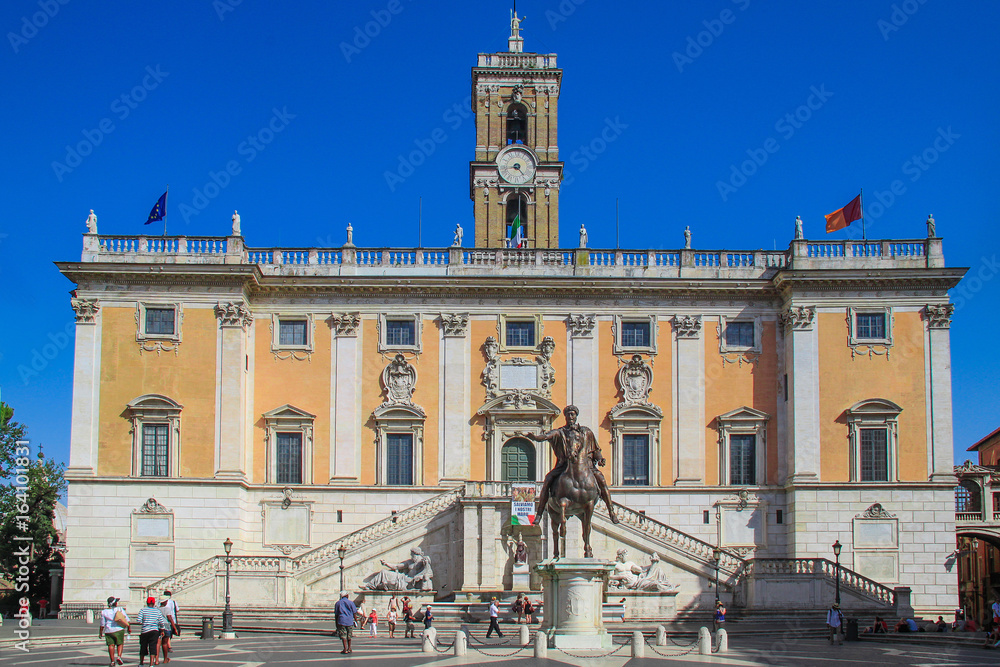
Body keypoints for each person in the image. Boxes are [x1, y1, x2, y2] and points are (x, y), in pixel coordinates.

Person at [524, 405, 618, 525]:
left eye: (572, 414)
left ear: (576, 416)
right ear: (565, 416)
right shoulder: (561, 432)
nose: (570, 417)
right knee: (548, 480)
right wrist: (536, 437)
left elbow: (596, 449)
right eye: (568, 414)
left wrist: (600, 459)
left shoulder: (586, 432)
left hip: (586, 466)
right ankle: (539, 514)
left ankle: (611, 511)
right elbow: (547, 435)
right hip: (564, 466)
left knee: (601, 480)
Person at [100, 596, 131, 667]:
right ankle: (119, 656)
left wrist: (100, 632)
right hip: (119, 629)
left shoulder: (104, 612)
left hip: (108, 630)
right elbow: (126, 619)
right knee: (120, 643)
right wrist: (129, 628)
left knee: (111, 645)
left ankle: (112, 661)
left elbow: (102, 624)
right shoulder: (120, 609)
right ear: (115, 603)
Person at [136, 596, 167, 666]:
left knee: (143, 646)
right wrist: (162, 630)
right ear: (154, 603)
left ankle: (141, 662)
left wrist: (144, 622)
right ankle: (151, 664)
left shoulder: (142, 610)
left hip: (145, 630)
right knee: (153, 647)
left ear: (147, 603)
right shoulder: (157, 611)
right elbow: (161, 622)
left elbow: (139, 620)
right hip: (154, 630)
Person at [159, 589, 179, 662]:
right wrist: (175, 627)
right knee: (165, 640)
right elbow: (170, 617)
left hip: (159, 625)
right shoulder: (172, 603)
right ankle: (165, 657)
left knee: (158, 643)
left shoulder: (157, 607)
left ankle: (155, 659)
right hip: (167, 624)